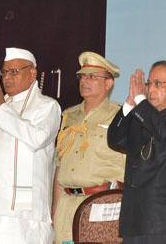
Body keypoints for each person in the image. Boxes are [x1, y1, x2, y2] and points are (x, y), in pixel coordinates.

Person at [0, 47, 61, 244]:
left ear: (32, 73)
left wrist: (0, 107)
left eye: (14, 72)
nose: (7, 77)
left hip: (22, 211)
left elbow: (36, 138)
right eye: (4, 72)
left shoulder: (47, 106)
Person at [107, 61, 166, 244]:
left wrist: (141, 102)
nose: (150, 90)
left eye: (158, 84)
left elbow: (165, 133)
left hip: (165, 221)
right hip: (134, 220)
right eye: (149, 84)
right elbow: (115, 140)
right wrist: (129, 103)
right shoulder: (140, 116)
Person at [52, 52, 125, 243]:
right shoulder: (69, 115)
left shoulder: (120, 116)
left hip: (102, 204)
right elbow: (60, 166)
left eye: (92, 76)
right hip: (66, 206)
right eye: (82, 76)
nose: (85, 80)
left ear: (108, 84)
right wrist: (54, 210)